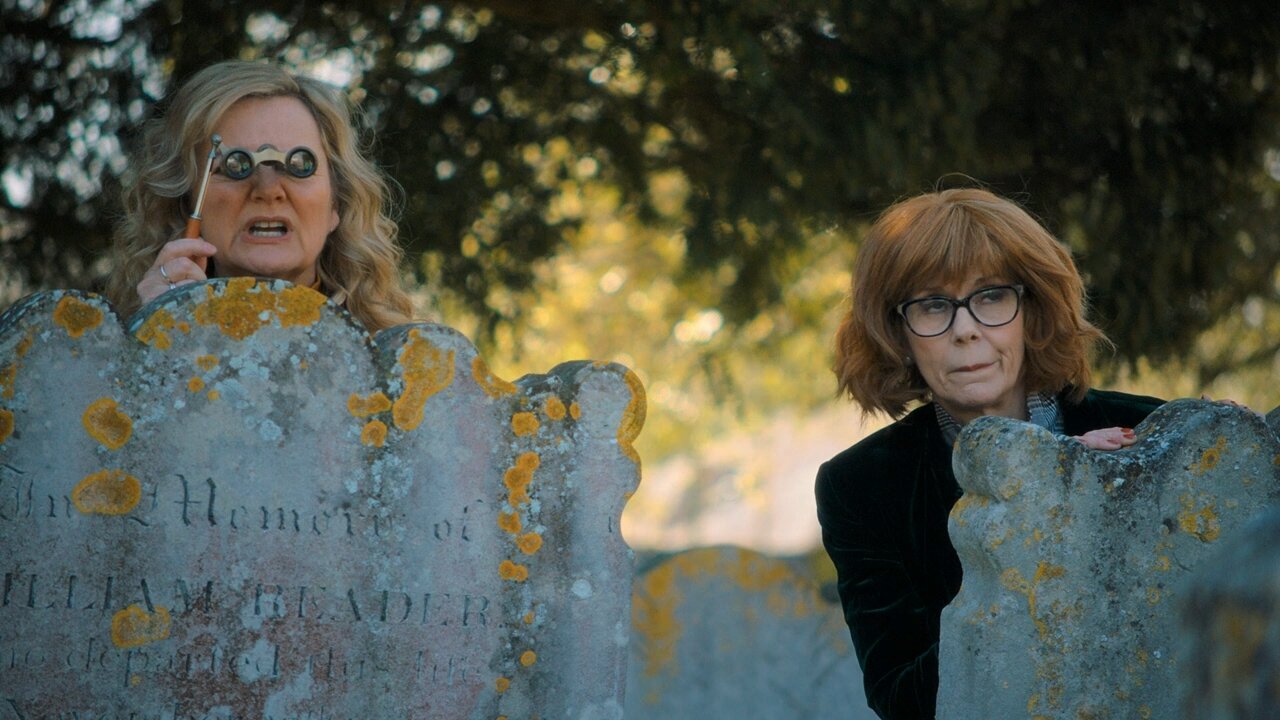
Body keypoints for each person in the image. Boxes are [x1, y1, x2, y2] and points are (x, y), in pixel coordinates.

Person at [815, 188, 1163, 719]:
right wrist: (1034, 496)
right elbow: (902, 700)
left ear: (1032, 310)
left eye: (992, 296)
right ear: (898, 334)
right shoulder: (860, 485)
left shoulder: (1151, 431)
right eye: (932, 306)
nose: (965, 330)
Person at [107, 60, 414, 332]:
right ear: (185, 201)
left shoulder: (395, 361)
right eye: (236, 166)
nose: (268, 190)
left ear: (336, 204)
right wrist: (156, 331)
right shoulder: (115, 355)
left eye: (299, 166)